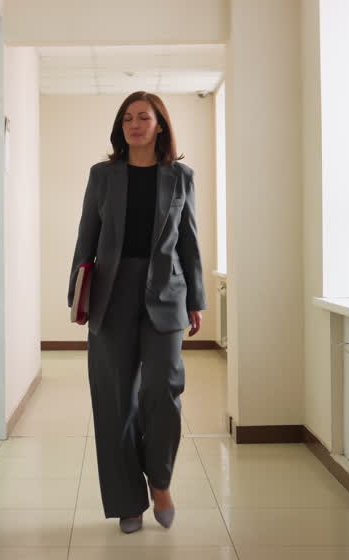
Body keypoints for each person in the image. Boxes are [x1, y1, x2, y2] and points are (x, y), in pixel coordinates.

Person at [68, 91, 205, 534]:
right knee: (113, 401)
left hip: (167, 292)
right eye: (127, 118)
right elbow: (86, 234)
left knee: (163, 392)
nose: (134, 124)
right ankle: (128, 499)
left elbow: (189, 241)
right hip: (111, 294)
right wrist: (78, 295)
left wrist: (196, 299)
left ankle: (160, 482)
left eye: (143, 117)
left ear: (160, 124)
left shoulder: (180, 177)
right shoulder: (103, 175)